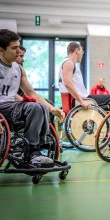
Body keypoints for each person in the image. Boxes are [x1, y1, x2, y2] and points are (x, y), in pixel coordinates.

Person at [0, 29, 65, 167]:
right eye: (14, 48)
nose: (19, 51)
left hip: (11, 107)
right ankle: (32, 153)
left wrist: (52, 109)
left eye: (19, 46)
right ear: (1, 50)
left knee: (42, 105)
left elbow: (32, 93)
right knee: (34, 108)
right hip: (1, 109)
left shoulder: (18, 68)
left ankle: (41, 145)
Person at [58, 42, 110, 113]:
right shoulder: (69, 63)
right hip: (82, 99)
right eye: (82, 52)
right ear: (77, 51)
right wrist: (81, 101)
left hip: (79, 98)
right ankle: (109, 123)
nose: (82, 54)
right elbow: (67, 83)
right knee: (109, 98)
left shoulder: (67, 63)